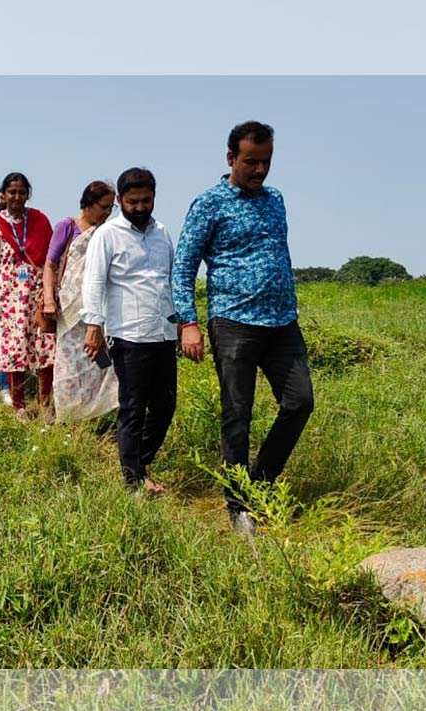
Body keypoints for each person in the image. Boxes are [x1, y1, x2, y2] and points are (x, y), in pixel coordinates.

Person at [174, 121, 315, 537]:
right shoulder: (209, 204)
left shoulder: (276, 200)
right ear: (231, 158)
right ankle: (238, 506)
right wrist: (188, 323)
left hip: (282, 322)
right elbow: (183, 267)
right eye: (251, 161)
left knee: (300, 402)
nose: (260, 170)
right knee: (238, 413)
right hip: (233, 321)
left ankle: (260, 482)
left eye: (266, 162)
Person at [82, 168, 178, 493]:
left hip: (163, 332)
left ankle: (140, 463)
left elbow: (170, 279)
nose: (139, 207)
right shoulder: (107, 235)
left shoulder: (162, 233)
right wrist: (93, 325)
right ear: (120, 200)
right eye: (132, 201)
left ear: (154, 198)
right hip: (128, 334)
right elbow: (93, 282)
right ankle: (133, 481)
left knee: (165, 407)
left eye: (145, 201)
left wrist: (182, 323)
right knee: (133, 407)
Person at [0, 172, 55, 419]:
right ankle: (19, 406)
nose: (17, 197)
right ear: (4, 194)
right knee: (14, 348)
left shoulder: (40, 220)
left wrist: (50, 293)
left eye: (22, 192)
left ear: (28, 195)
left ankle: (45, 404)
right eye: (12, 192)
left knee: (45, 346)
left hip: (37, 292)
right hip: (9, 296)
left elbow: (51, 259)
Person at [45, 181, 119, 423]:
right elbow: (50, 265)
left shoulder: (108, 232)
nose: (107, 213)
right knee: (69, 366)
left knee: (99, 364)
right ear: (88, 204)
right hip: (70, 310)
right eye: (104, 207)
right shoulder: (67, 226)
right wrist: (49, 299)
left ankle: (97, 418)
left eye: (111, 208)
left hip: (98, 309)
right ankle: (69, 418)